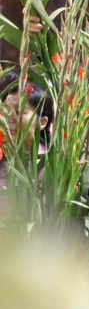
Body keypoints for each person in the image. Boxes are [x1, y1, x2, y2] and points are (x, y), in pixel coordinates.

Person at [0, 72, 54, 217]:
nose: (9, 118)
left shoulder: (54, 166)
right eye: (5, 110)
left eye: (18, 112)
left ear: (43, 122)